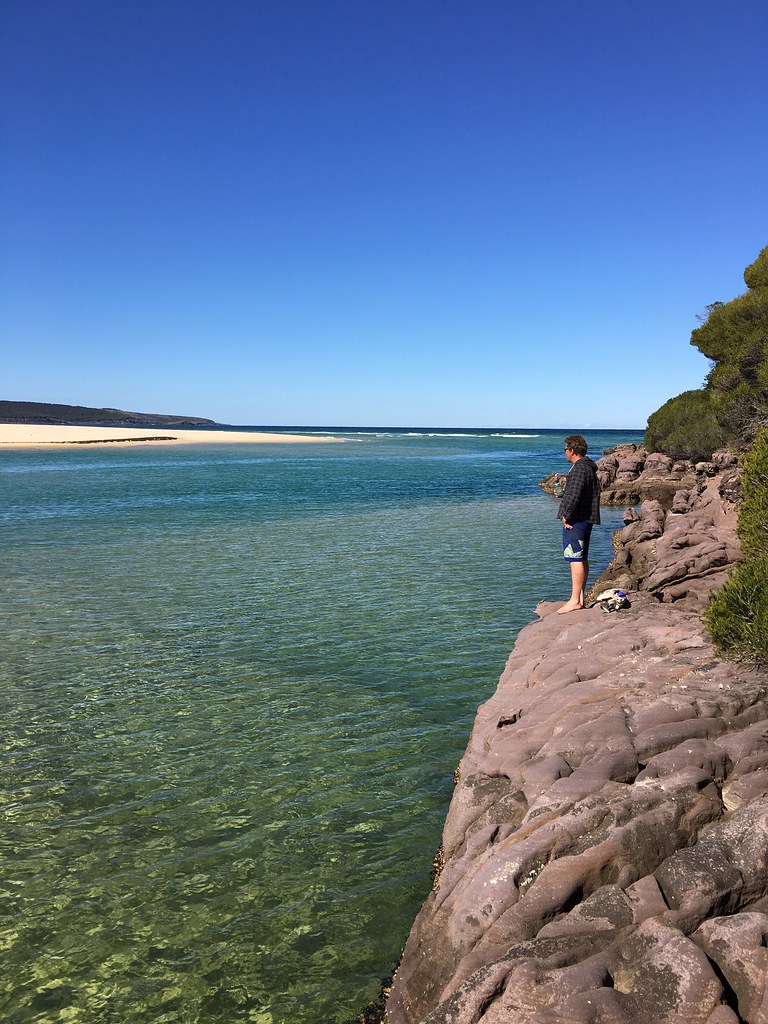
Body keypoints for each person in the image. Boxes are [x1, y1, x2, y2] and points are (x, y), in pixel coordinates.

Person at [556, 434, 601, 613]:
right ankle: (580, 598)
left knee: (575, 558)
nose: (565, 453)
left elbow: (573, 495)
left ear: (572, 450)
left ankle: (575, 600)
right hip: (585, 518)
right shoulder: (588, 467)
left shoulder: (579, 469)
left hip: (577, 520)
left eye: (565, 449)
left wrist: (565, 515)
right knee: (581, 557)